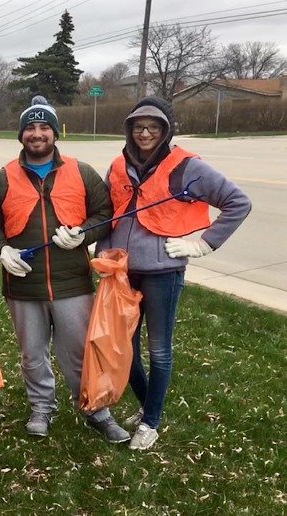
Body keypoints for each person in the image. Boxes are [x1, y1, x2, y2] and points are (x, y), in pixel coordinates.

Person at [97, 96, 251, 450]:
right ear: (129, 130)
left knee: (159, 350)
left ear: (165, 130)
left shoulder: (188, 167)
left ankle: (150, 422)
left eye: (153, 127)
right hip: (123, 272)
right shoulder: (119, 165)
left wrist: (204, 244)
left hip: (163, 272)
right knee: (126, 348)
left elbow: (237, 202)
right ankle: (151, 405)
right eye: (138, 127)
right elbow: (109, 210)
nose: (145, 133)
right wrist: (103, 251)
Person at [0, 95, 130, 443]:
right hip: (23, 286)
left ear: (55, 133)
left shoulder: (81, 172)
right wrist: (1, 249)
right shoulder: (2, 178)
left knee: (79, 351)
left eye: (44, 127)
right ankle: (41, 407)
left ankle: (96, 410)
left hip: (72, 284)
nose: (37, 134)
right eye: (31, 128)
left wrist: (84, 234)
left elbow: (105, 214)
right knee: (32, 354)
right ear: (21, 135)